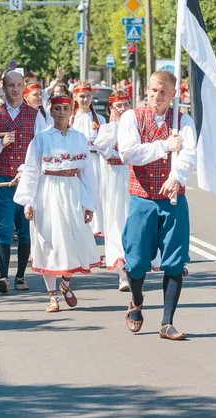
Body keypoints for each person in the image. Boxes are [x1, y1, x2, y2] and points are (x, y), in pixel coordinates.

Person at [118, 70, 196, 341]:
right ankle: (136, 302)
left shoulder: (183, 121)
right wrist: (164, 146)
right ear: (146, 90)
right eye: (153, 90)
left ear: (173, 94)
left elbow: (188, 153)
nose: (156, 96)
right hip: (143, 199)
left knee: (174, 262)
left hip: (173, 201)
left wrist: (176, 177)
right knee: (137, 262)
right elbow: (129, 153)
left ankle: (167, 323)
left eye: (163, 92)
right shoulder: (132, 117)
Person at [14, 94, 101, 312]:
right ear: (50, 111)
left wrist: (89, 203)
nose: (61, 113)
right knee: (50, 241)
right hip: (47, 191)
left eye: (65, 108)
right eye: (57, 109)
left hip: (72, 190)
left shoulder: (79, 138)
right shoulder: (41, 138)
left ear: (72, 111)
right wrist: (28, 202)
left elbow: (87, 173)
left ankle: (66, 283)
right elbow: (32, 170)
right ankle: (52, 296)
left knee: (72, 239)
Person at [0, 70, 47, 293]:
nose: (14, 89)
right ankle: (3, 276)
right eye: (10, 85)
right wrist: (0, 143)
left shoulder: (35, 116)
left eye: (18, 85)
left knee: (25, 230)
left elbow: (45, 147)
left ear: (24, 87)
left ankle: (21, 276)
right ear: (3, 89)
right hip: (2, 179)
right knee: (3, 228)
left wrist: (30, 171)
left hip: (27, 181)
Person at [93, 90, 133, 290]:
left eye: (126, 104)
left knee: (133, 223)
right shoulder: (107, 128)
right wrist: (118, 127)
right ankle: (121, 272)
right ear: (111, 109)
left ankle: (134, 266)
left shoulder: (135, 127)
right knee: (116, 223)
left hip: (132, 176)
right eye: (119, 106)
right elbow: (102, 148)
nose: (124, 109)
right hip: (114, 177)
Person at [71, 81, 106, 238]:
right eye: (81, 96)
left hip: (95, 162)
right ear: (75, 97)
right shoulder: (72, 119)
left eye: (87, 96)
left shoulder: (100, 119)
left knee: (95, 193)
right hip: (76, 163)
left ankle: (95, 228)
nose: (85, 100)